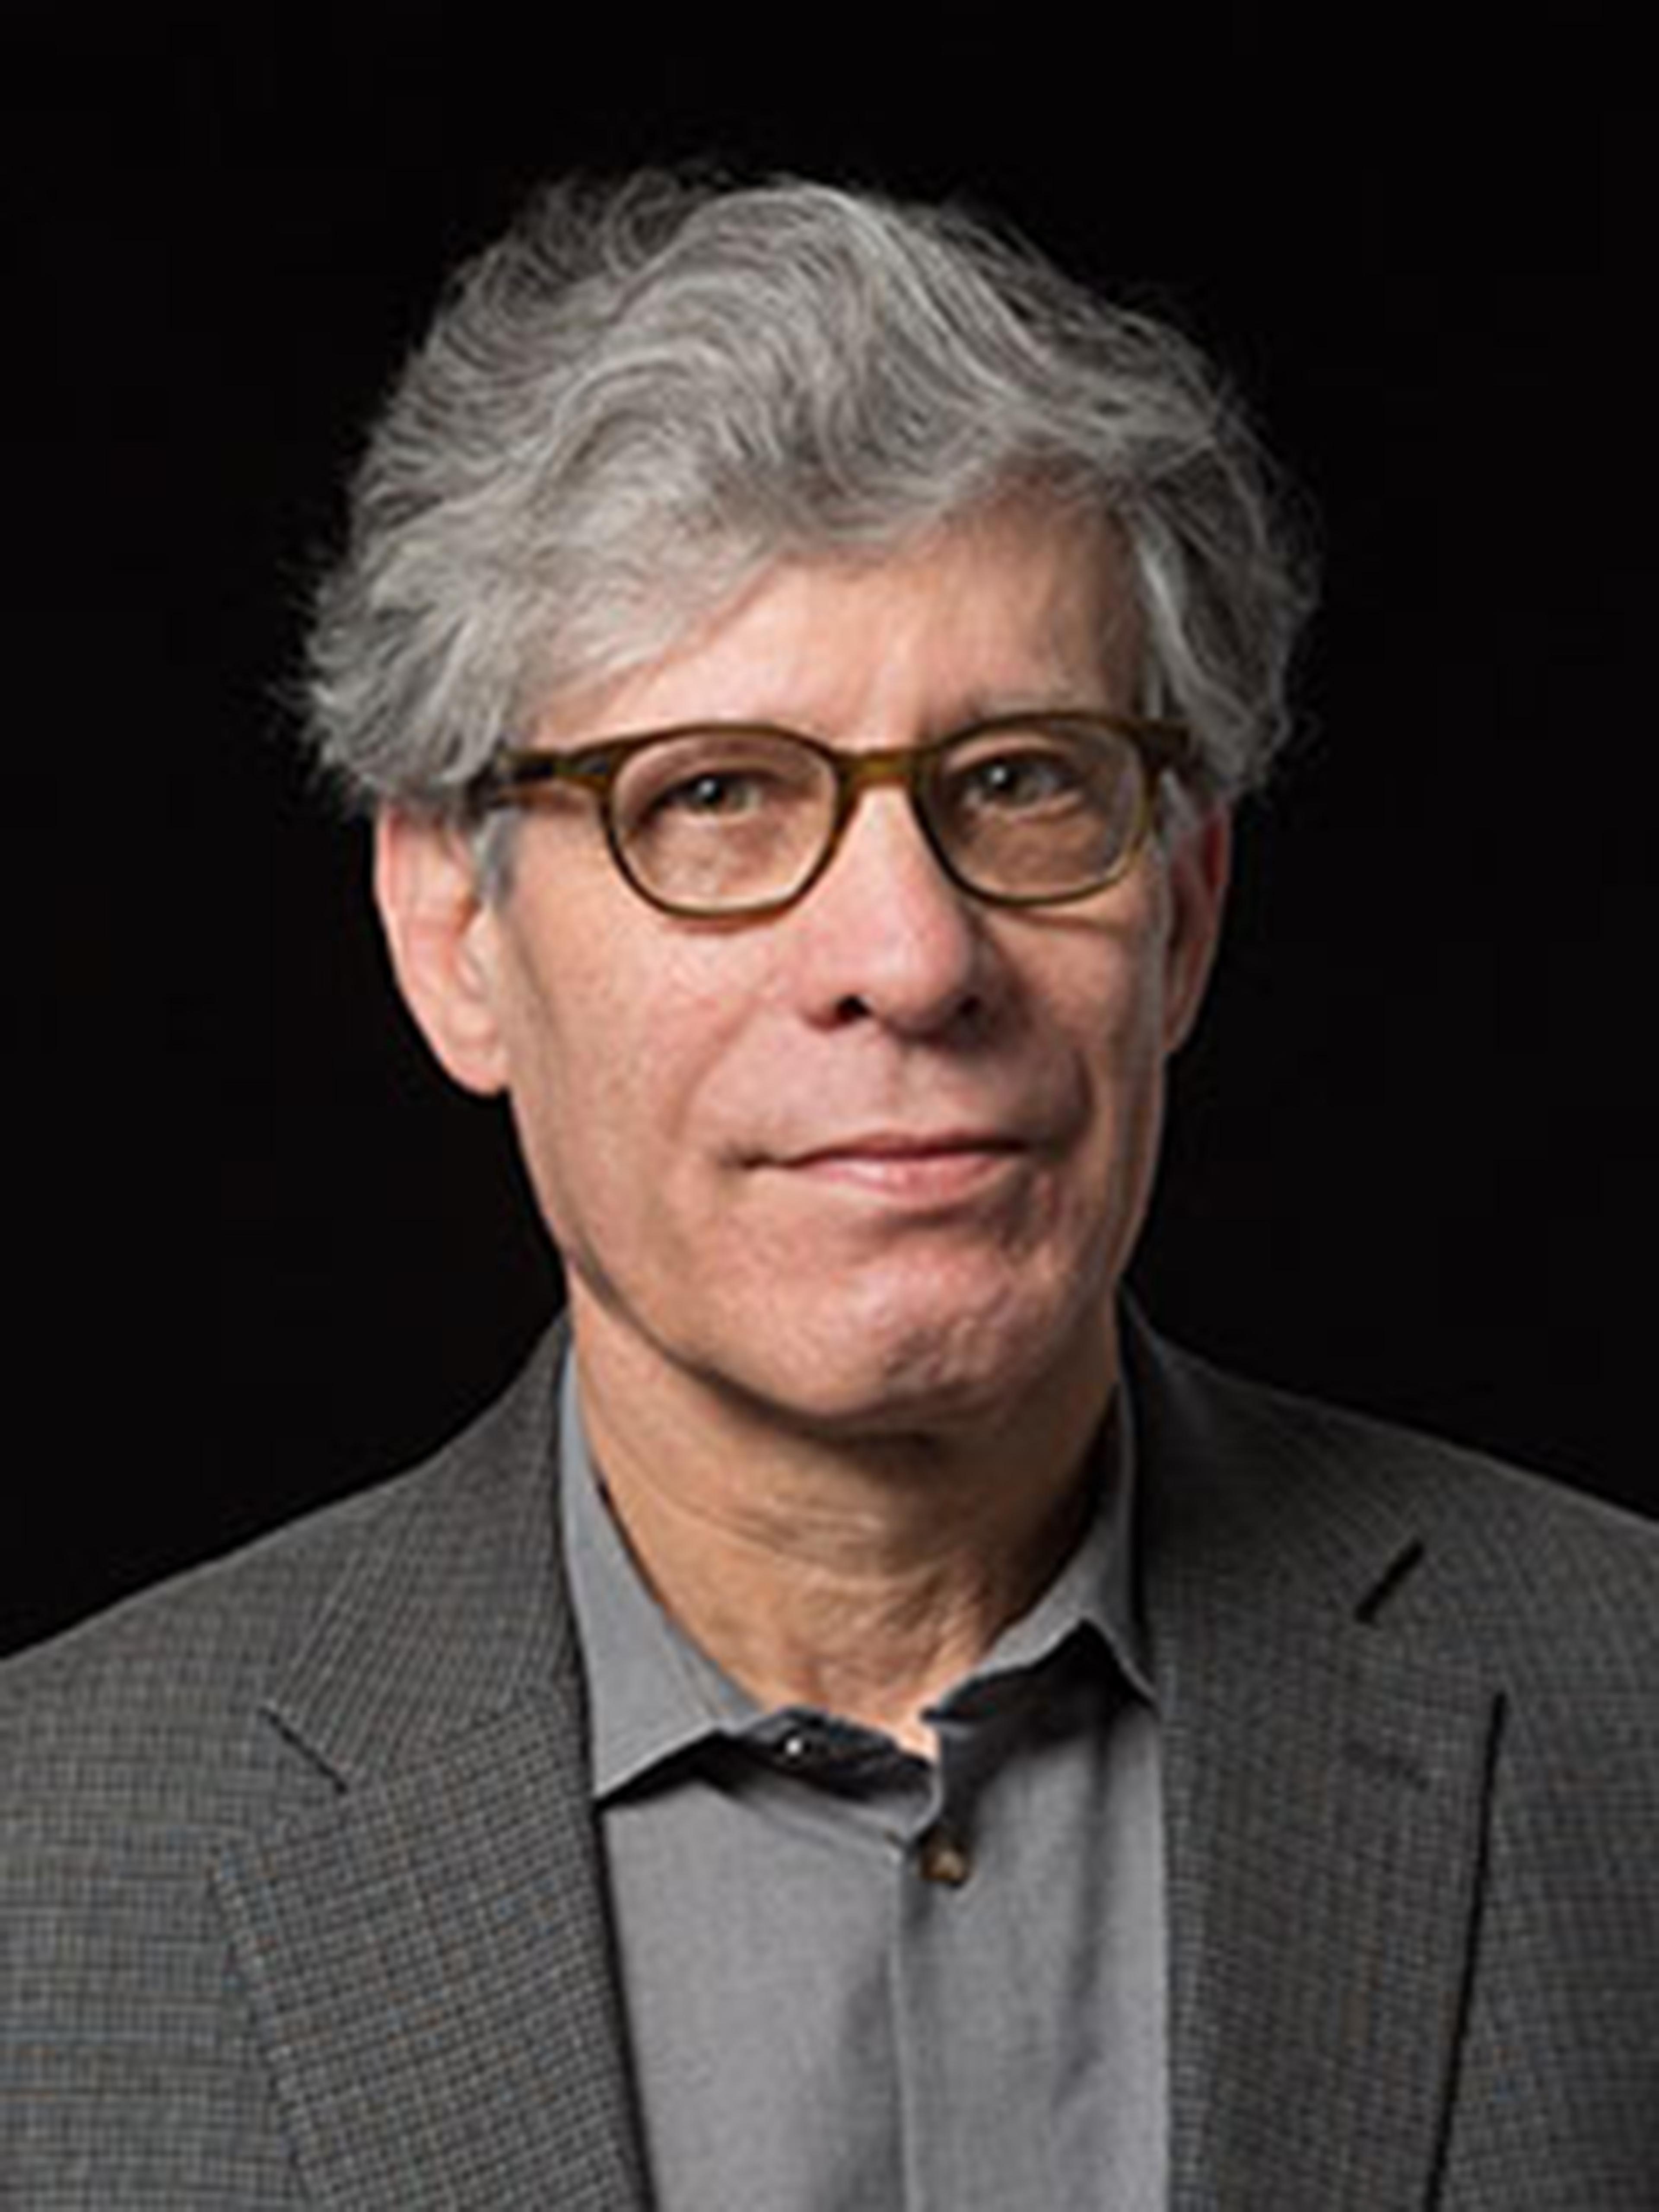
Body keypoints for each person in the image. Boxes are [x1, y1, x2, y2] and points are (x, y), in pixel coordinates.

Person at [3, 170, 1654, 2212]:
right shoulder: (45, 1877)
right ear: (454, 933)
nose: (913, 952)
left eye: (1024, 780)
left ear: (1188, 910)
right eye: (714, 794)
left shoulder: (1628, 1724)